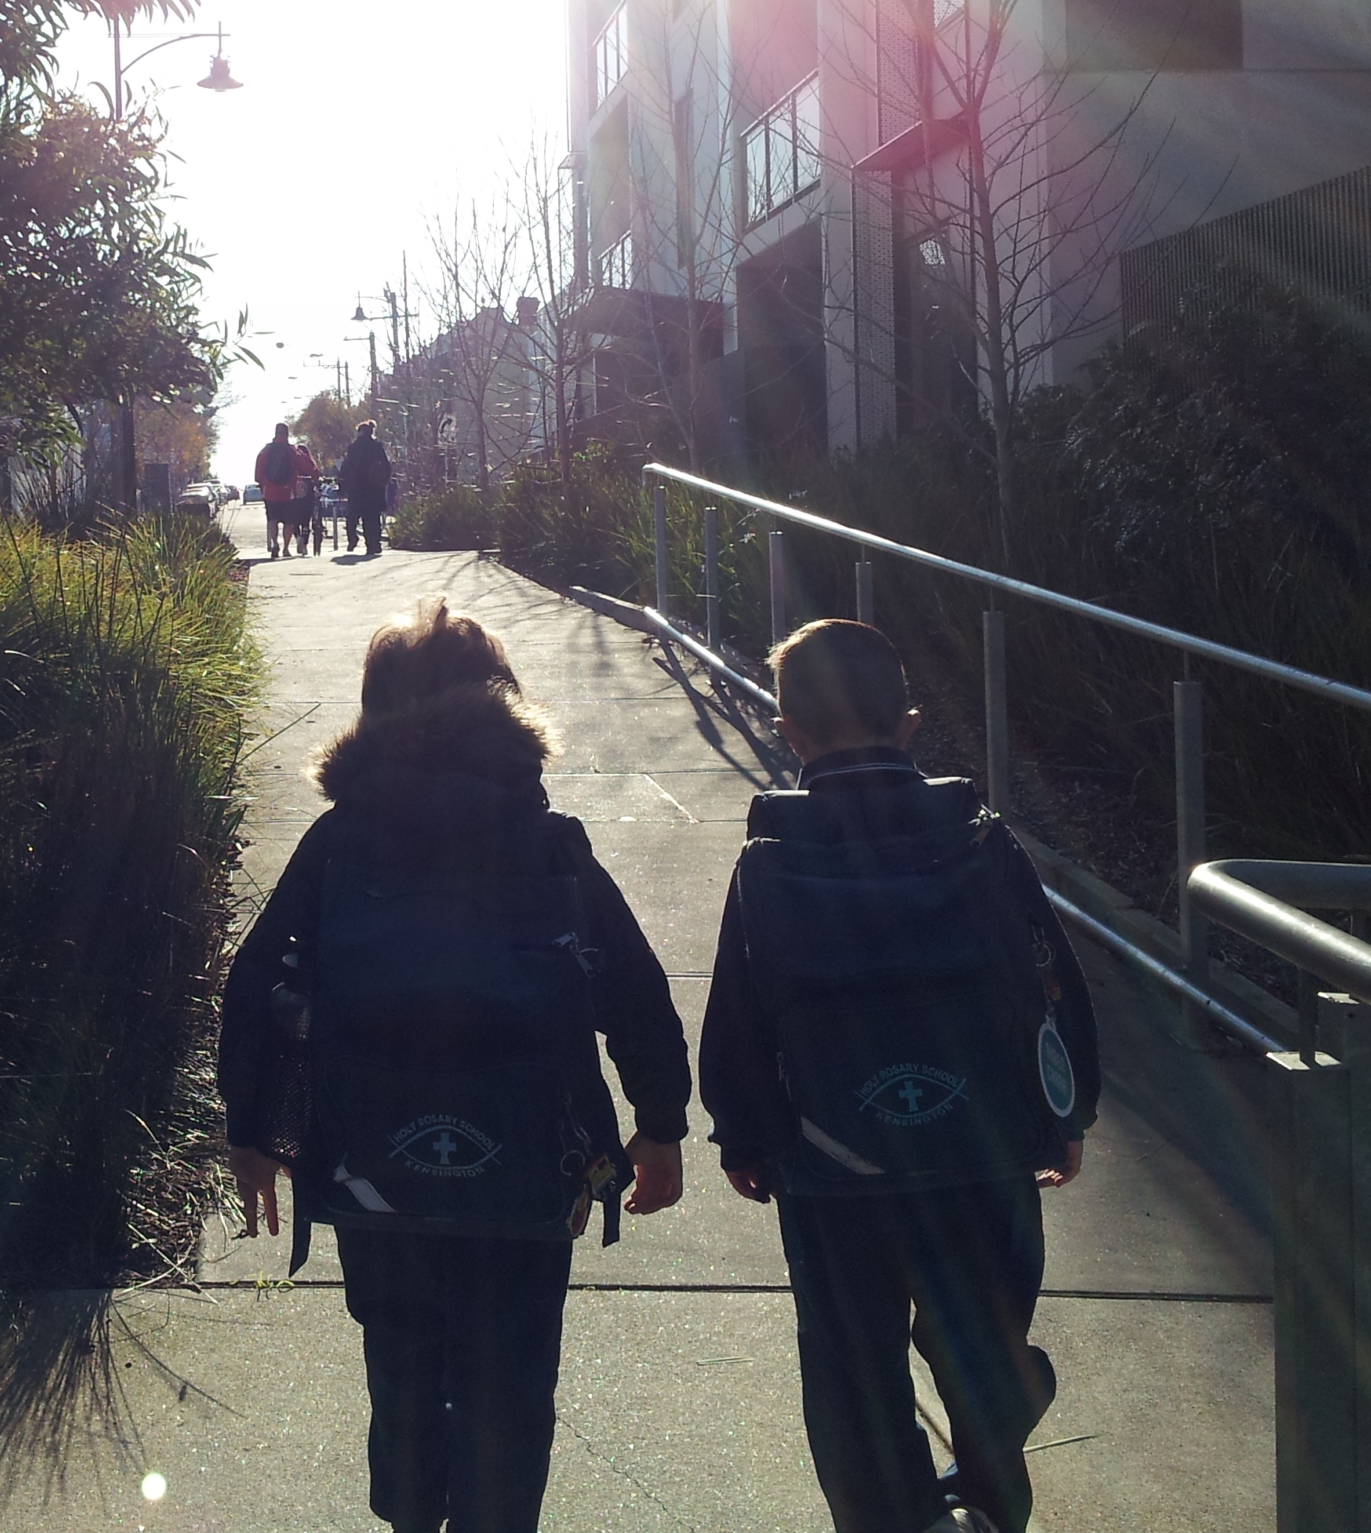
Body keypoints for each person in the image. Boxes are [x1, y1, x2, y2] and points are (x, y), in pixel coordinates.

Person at [220, 601, 689, 1533]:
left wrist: (253, 1132)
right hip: (529, 1166)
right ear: (505, 705)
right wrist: (661, 1123)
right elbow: (631, 989)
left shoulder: (340, 843)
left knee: (400, 1364)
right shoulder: (547, 843)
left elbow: (259, 980)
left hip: (373, 1160)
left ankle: (409, 1518)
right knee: (513, 1380)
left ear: (373, 710)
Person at [700, 619, 1098, 1533]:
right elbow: (1046, 982)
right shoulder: (981, 842)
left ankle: (890, 1518)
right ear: (910, 724)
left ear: (788, 732)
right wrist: (1064, 1114)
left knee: (851, 1367)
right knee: (980, 1338)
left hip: (832, 1161)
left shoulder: (769, 862)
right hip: (982, 1147)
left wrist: (747, 1132)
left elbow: (741, 1010)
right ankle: (997, 1474)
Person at [341, 421, 393, 557]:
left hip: (356, 487)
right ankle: (373, 544)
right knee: (372, 517)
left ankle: (352, 537)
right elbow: (386, 467)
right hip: (374, 488)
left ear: (359, 432)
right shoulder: (377, 447)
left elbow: (346, 468)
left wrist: (343, 486)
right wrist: (383, 482)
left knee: (353, 515)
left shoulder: (352, 448)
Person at [255, 422, 303, 559]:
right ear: (287, 433)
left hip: (270, 490)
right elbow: (302, 464)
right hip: (287, 491)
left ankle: (275, 543)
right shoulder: (291, 450)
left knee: (272, 519)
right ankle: (286, 549)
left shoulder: (267, 450)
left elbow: (259, 470)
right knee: (288, 521)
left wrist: (263, 483)